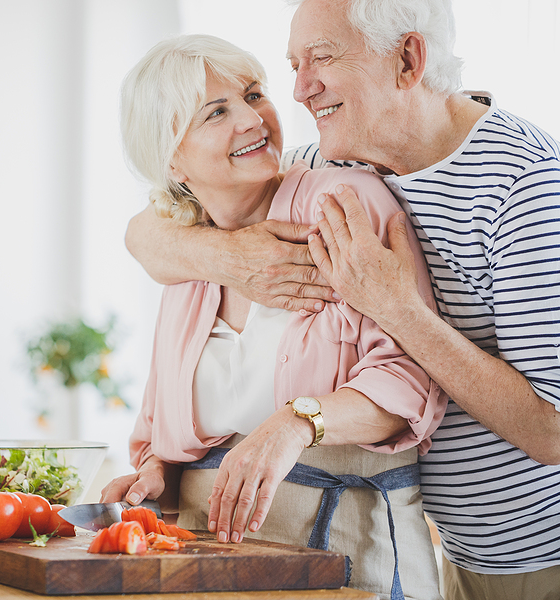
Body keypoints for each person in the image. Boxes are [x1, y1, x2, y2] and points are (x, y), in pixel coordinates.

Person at [123, 2, 560, 599]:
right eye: (293, 67)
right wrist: (231, 258)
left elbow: (555, 431)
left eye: (321, 59)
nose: (298, 92)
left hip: (536, 548)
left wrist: (398, 310)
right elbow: (144, 235)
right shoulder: (331, 159)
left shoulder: (525, 189)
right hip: (452, 535)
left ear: (408, 60)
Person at [102, 33, 447, 600]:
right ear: (171, 157)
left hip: (347, 554)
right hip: (211, 564)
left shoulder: (342, 202)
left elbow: (412, 377)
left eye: (255, 94)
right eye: (216, 112)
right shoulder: (187, 259)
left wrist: (296, 423)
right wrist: (156, 476)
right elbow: (160, 428)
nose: (253, 118)